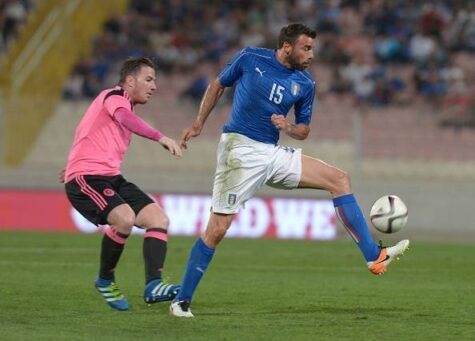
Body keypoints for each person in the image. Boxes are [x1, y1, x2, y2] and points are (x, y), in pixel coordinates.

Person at [170, 23, 410, 318]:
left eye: (312, 49)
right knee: (217, 229)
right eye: (306, 48)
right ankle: (180, 302)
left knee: (339, 179)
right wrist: (198, 124)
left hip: (271, 152)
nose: (311, 55)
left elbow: (304, 131)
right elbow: (218, 84)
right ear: (287, 47)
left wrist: (289, 127)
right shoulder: (250, 58)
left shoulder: (305, 83)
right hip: (240, 149)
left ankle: (374, 257)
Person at [64, 57, 182, 311]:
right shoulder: (115, 96)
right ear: (130, 81)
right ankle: (105, 279)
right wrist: (159, 137)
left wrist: (75, 160)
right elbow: (125, 119)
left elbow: (89, 132)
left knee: (158, 220)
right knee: (125, 218)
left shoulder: (117, 104)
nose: (154, 86)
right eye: (149, 79)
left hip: (110, 177)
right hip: (88, 178)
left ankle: (154, 285)